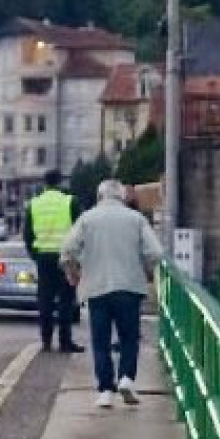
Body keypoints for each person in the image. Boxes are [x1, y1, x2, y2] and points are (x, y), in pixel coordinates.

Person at [61, 179, 164, 409]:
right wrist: (146, 270)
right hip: (129, 287)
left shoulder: (87, 218)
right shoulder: (136, 219)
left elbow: (68, 249)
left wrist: (72, 273)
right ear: (122, 197)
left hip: (96, 288)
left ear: (100, 196)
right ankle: (126, 378)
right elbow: (156, 252)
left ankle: (105, 390)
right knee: (129, 337)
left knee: (101, 341)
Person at [23, 169, 85, 354]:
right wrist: (78, 257)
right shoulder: (70, 202)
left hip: (44, 258)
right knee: (66, 301)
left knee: (45, 301)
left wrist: (35, 255)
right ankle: (65, 342)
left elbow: (27, 234)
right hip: (66, 258)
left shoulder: (34, 204)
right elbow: (80, 231)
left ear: (44, 183)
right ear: (60, 182)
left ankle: (46, 341)